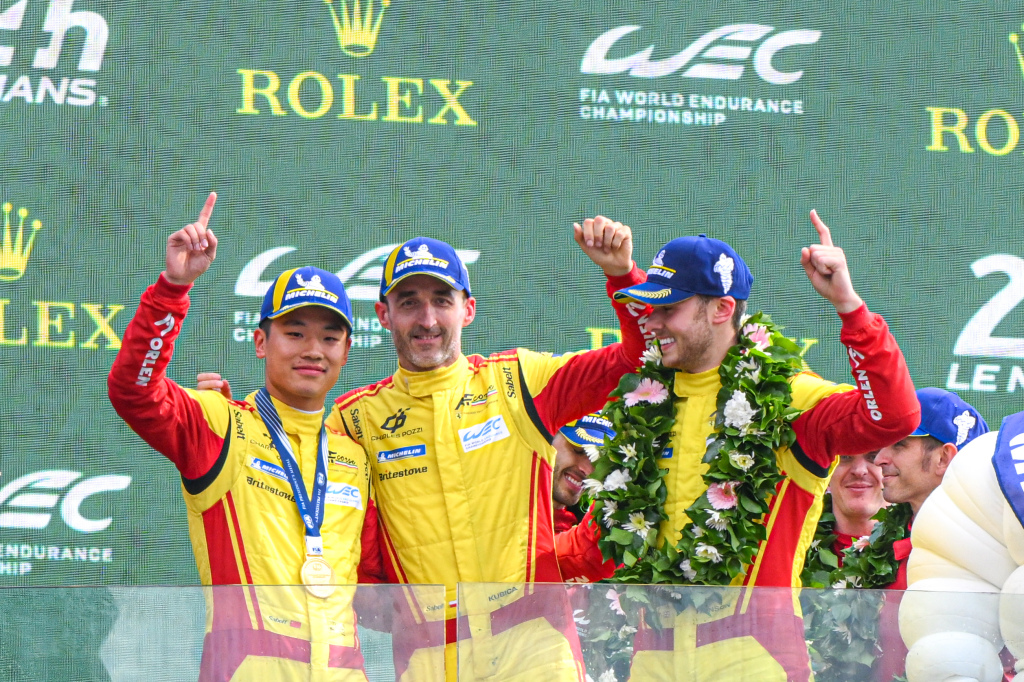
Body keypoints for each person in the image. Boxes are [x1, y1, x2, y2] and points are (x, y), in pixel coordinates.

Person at [584, 211, 921, 681]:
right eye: (649, 308)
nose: (652, 322)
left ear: (722, 309)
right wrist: (622, 274)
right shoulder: (648, 400)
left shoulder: (787, 399)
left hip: (757, 659)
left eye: (668, 309)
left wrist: (849, 306)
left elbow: (895, 417)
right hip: (652, 659)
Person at [328, 217, 649, 681]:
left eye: (442, 301)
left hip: (536, 650)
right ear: (383, 315)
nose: (427, 319)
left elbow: (637, 359)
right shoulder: (353, 420)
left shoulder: (520, 381)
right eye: (409, 302)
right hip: (428, 660)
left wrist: (621, 274)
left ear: (469, 309)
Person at [107, 193, 385, 681]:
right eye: (294, 333)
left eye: (329, 337)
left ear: (346, 350)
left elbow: (379, 590)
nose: (313, 350)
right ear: (260, 342)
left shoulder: (353, 455)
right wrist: (173, 288)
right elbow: (135, 391)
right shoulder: (221, 426)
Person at [868, 387, 988, 589]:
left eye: (899, 444)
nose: (879, 459)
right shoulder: (880, 545)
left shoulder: (995, 551)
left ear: (943, 459)